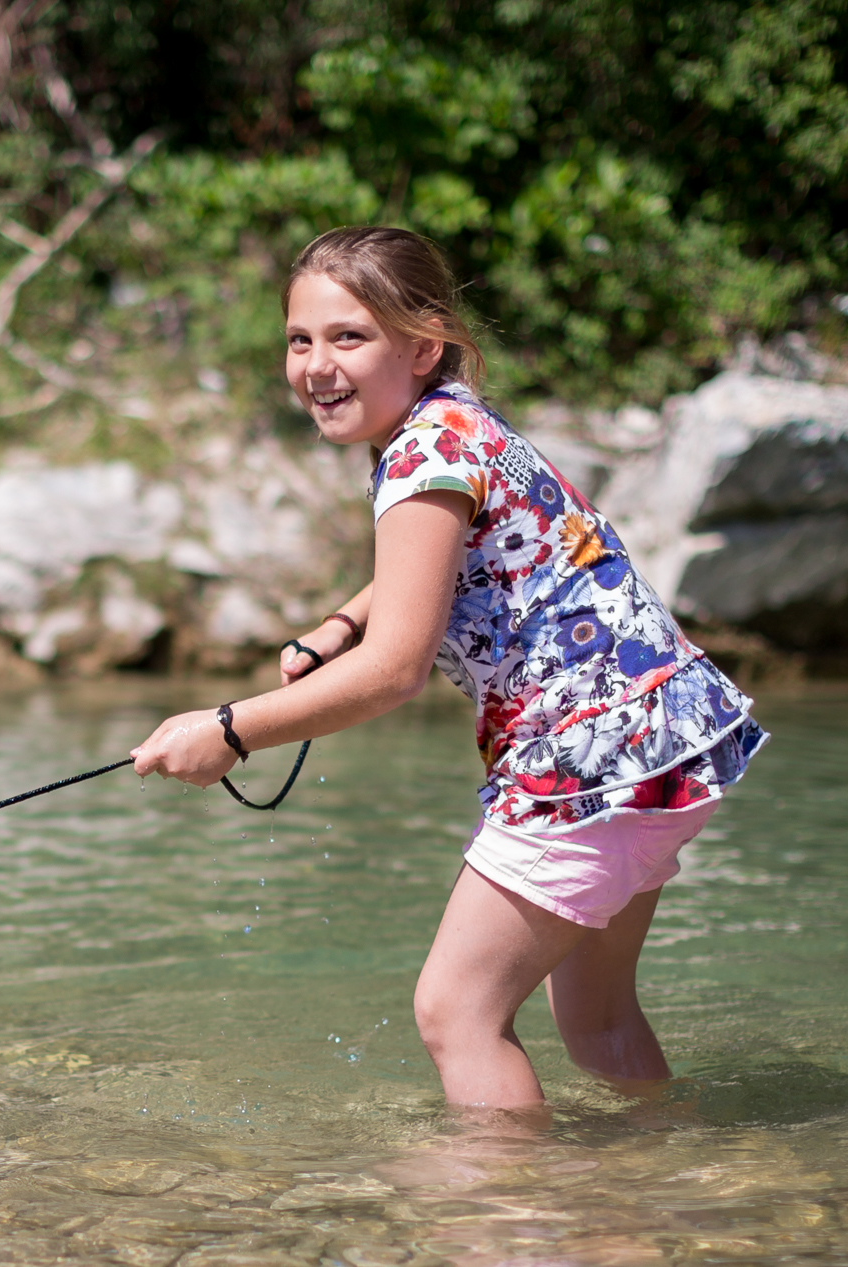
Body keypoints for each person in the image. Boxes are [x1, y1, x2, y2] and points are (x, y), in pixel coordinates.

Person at [131, 226, 765, 1111]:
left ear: (423, 343)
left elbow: (395, 672)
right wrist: (342, 621)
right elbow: (460, 552)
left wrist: (231, 731)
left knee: (456, 1011)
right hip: (667, 731)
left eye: (349, 337)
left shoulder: (421, 454)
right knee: (594, 1012)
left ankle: (501, 1221)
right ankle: (649, 1194)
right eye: (299, 339)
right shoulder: (457, 418)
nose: (317, 364)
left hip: (588, 755)